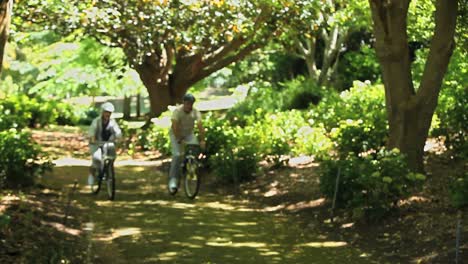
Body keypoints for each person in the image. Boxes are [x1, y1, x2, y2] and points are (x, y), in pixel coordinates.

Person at [168, 93, 206, 193]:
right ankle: (173, 181)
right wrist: (179, 139)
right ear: (184, 103)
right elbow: (175, 126)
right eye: (187, 103)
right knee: (177, 155)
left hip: (189, 134)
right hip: (176, 134)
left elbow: (200, 127)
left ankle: (191, 170)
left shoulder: (195, 112)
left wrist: (202, 140)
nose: (189, 106)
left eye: (191, 104)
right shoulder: (177, 112)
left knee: (195, 149)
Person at [87, 102, 122, 186]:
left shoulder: (112, 122)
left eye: (109, 113)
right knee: (97, 159)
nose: (108, 114)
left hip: (108, 143)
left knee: (112, 157)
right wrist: (92, 138)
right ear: (102, 112)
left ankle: (108, 171)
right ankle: (92, 175)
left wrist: (119, 138)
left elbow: (117, 131)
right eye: (106, 112)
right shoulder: (96, 121)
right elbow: (92, 131)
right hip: (96, 143)